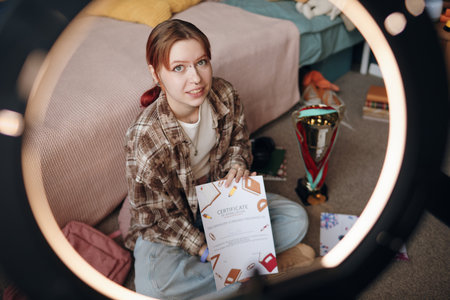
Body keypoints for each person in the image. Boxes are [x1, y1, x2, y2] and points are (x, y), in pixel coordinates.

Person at [124, 19, 310, 300]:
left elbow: (239, 141)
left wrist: (238, 163)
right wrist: (201, 247)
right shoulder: (145, 138)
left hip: (219, 202)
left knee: (296, 220)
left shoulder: (225, 94)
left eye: (201, 62)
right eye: (179, 68)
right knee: (155, 288)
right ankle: (260, 269)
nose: (196, 78)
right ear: (156, 73)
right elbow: (153, 219)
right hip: (172, 222)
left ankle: (234, 276)